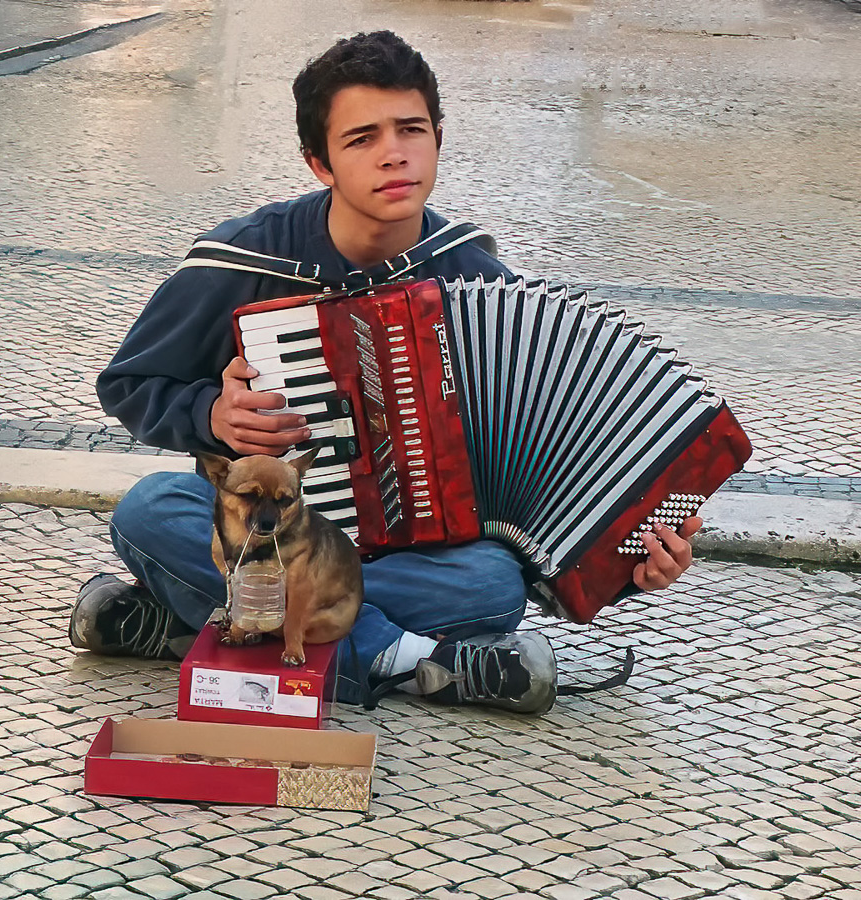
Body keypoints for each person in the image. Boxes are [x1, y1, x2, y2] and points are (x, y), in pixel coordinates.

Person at [70, 30, 702, 715]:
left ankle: (186, 625)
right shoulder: (246, 261)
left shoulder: (476, 282)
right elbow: (130, 384)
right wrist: (211, 417)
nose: (393, 153)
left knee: (494, 587)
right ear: (320, 163)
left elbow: (549, 472)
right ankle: (410, 660)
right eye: (362, 138)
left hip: (407, 558)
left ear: (437, 138)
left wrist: (634, 566)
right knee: (149, 512)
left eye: (411, 129)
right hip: (276, 534)